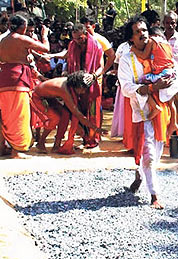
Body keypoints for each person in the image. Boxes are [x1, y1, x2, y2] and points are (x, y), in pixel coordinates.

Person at [118, 15, 178, 209]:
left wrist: (165, 85)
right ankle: (154, 195)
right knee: (148, 151)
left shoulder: (158, 50)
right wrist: (150, 88)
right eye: (138, 32)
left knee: (155, 150)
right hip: (142, 111)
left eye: (144, 30)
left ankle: (140, 175)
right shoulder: (126, 59)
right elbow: (126, 87)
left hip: (161, 108)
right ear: (131, 38)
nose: (143, 35)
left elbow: (174, 72)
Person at [0, 14, 49, 158]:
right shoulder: (21, 38)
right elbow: (45, 49)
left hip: (4, 79)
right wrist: (44, 35)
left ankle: (4, 147)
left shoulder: (2, 41)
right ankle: (17, 149)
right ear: (21, 27)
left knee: (6, 116)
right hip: (17, 82)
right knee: (19, 115)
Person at [50, 23, 104, 153]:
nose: (78, 41)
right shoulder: (72, 45)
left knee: (92, 112)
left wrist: (93, 76)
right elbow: (67, 57)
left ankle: (92, 140)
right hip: (75, 85)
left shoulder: (96, 45)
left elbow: (101, 66)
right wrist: (52, 56)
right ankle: (82, 139)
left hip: (91, 84)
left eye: (80, 38)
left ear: (85, 34)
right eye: (75, 39)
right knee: (75, 112)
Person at [32, 71, 103, 153]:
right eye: (83, 89)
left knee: (64, 115)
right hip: (37, 98)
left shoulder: (68, 83)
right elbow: (77, 113)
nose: (83, 92)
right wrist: (95, 128)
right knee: (55, 119)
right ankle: (41, 142)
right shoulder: (64, 89)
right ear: (78, 86)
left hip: (49, 98)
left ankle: (56, 145)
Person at [131, 26, 178, 136]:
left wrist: (134, 49)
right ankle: (174, 122)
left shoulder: (152, 41)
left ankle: (155, 107)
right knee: (171, 100)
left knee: (143, 85)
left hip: (161, 73)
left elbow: (144, 56)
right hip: (171, 72)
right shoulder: (166, 43)